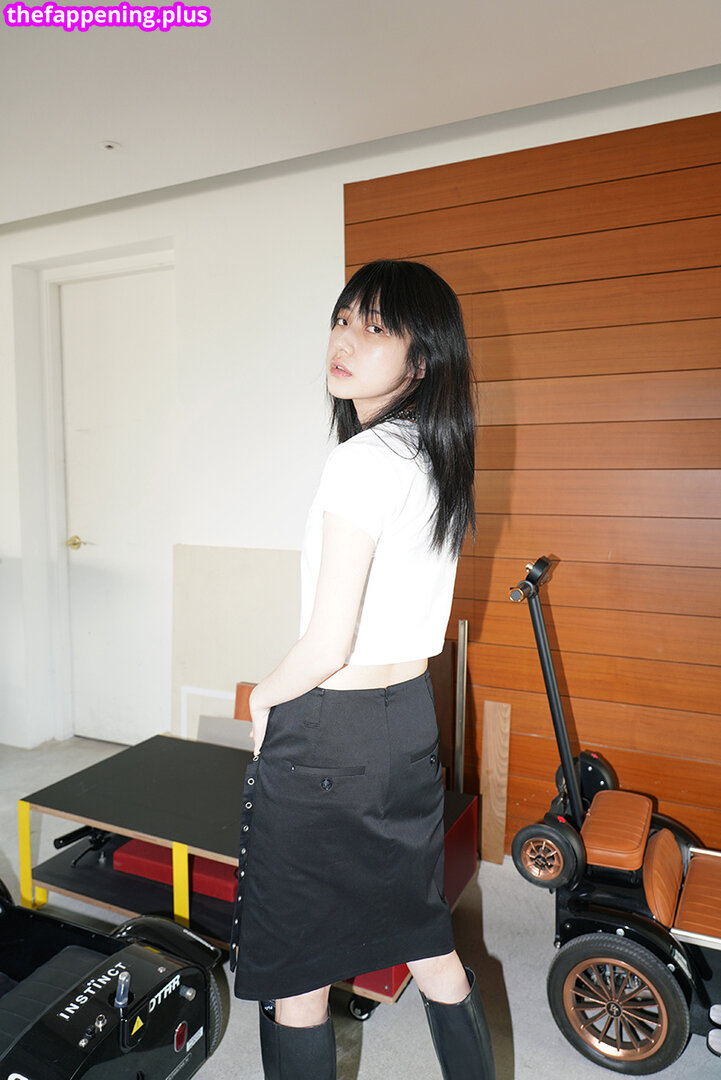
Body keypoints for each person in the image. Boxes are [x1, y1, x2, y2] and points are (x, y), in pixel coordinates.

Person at [230, 259, 496, 1080]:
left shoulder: (361, 460)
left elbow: (327, 645)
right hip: (405, 723)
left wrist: (263, 699)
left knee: (298, 968)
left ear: (421, 359)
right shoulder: (435, 456)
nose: (344, 339)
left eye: (375, 327)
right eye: (342, 319)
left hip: (329, 732)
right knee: (425, 940)